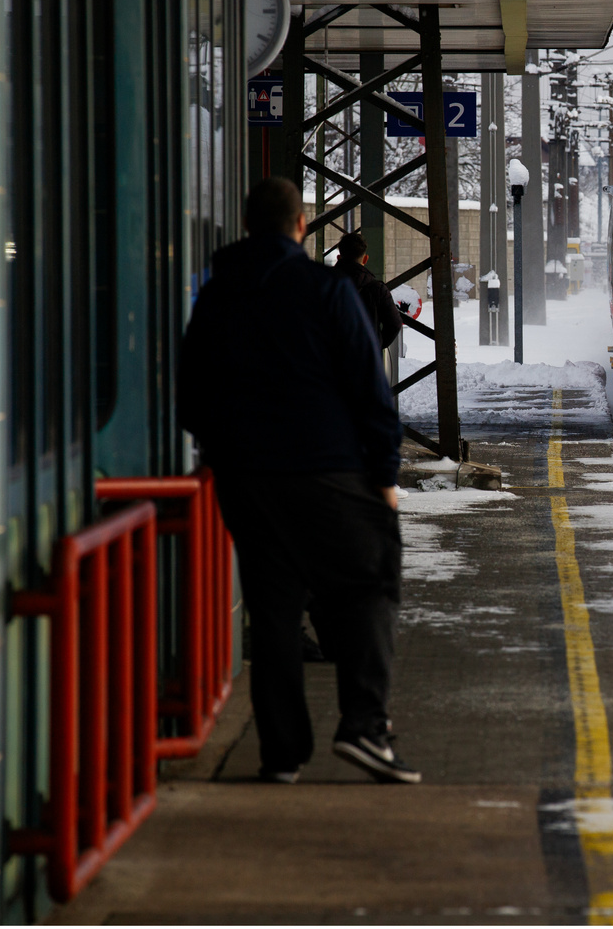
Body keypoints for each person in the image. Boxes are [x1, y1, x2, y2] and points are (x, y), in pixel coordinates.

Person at [177, 177, 419, 784]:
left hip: (244, 479)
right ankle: (364, 725)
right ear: (301, 226)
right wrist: (384, 475)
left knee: (275, 608)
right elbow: (370, 390)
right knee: (370, 578)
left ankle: (282, 754)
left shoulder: (216, 296)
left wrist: (228, 450)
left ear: (247, 224)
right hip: (326, 470)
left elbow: (189, 398)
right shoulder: (327, 290)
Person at [332, 232, 402, 350]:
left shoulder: (321, 285)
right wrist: (375, 345)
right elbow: (394, 324)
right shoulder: (377, 289)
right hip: (365, 359)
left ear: (338, 257)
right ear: (365, 258)